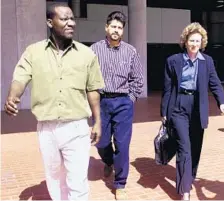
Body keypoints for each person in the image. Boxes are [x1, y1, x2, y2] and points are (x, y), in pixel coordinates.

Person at [4, 3, 105, 200]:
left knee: (77, 181)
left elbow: (93, 90)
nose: (71, 23)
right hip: (47, 128)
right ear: (50, 22)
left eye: (72, 19)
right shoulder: (34, 52)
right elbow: (20, 77)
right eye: (64, 19)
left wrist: (98, 121)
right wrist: (12, 97)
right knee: (55, 179)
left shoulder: (86, 54)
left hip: (76, 127)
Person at [160, 22, 224, 200]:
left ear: (202, 42)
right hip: (179, 105)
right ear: (185, 41)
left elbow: (215, 83)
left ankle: (189, 178)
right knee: (185, 148)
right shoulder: (173, 61)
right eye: (191, 40)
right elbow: (167, 88)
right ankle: (185, 190)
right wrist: (164, 111)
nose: (194, 44)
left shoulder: (207, 62)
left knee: (195, 148)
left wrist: (222, 103)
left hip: (198, 107)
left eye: (198, 41)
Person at [90, 11, 144, 200]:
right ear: (106, 28)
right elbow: (87, 77)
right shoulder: (94, 50)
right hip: (102, 102)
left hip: (123, 103)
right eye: (113, 26)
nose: (116, 30)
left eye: (119, 28)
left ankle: (120, 183)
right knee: (101, 141)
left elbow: (138, 79)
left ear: (123, 31)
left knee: (122, 144)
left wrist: (131, 98)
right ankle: (108, 160)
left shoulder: (130, 51)